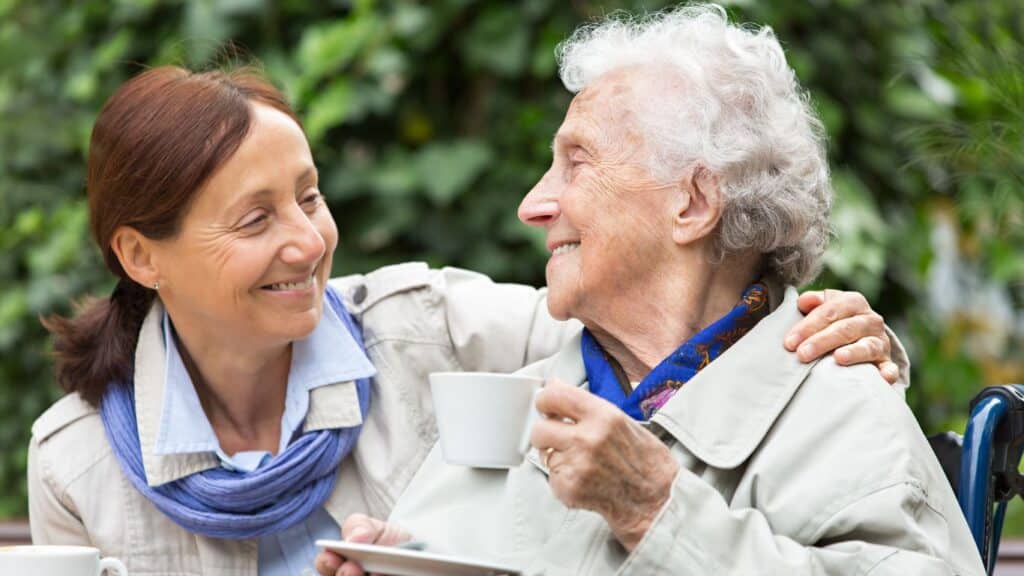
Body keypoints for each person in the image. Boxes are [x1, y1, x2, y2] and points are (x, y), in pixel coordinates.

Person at [27, 64, 899, 576]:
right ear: (141, 255)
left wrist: (832, 333)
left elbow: (669, 334)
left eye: (310, 197)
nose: (309, 242)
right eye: (255, 220)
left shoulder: (433, 332)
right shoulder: (77, 461)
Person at [316, 5, 984, 576]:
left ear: (693, 203)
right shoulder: (520, 400)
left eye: (576, 162)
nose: (533, 205)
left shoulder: (838, 408)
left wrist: (658, 511)